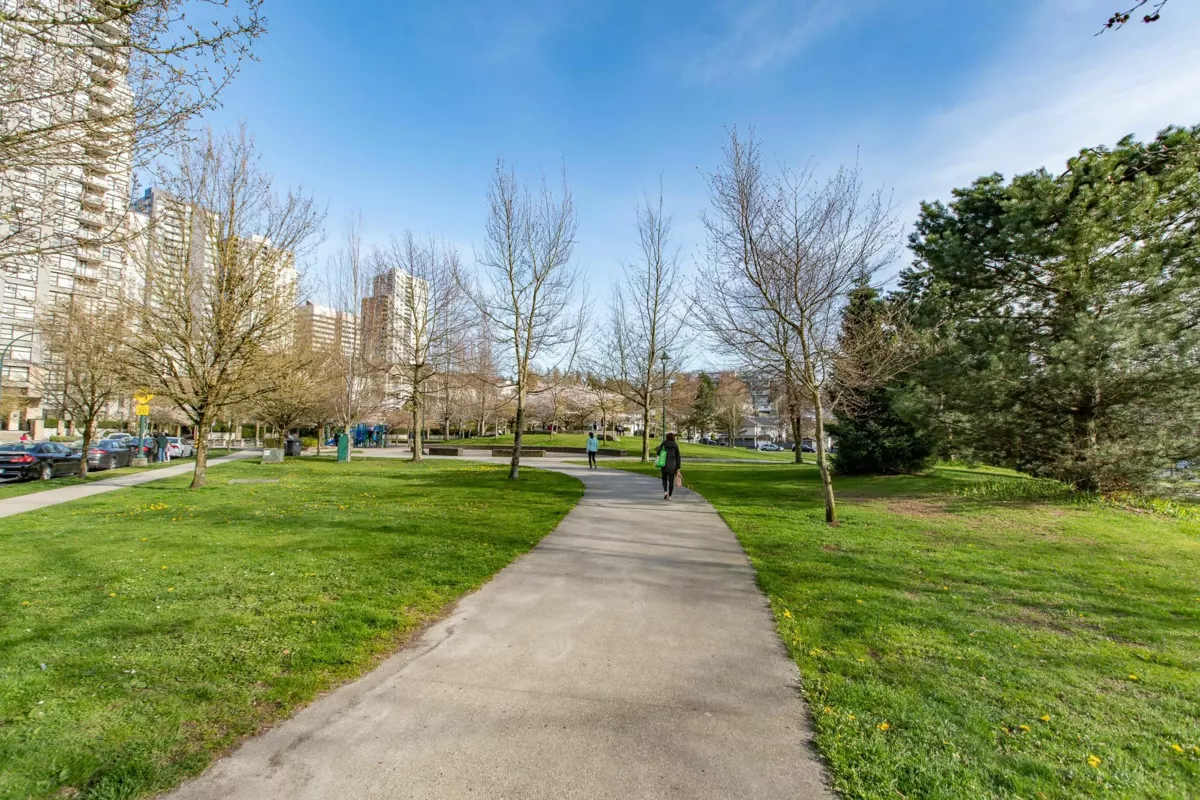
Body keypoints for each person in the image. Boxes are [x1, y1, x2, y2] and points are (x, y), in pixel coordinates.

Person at [656, 432, 682, 501]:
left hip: (664, 464)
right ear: (673, 438)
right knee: (671, 481)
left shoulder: (664, 443)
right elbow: (678, 457)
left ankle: (665, 492)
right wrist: (678, 468)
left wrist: (660, 449)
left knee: (664, 479)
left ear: (667, 437)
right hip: (673, 465)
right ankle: (670, 496)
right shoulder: (675, 445)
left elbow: (658, 452)